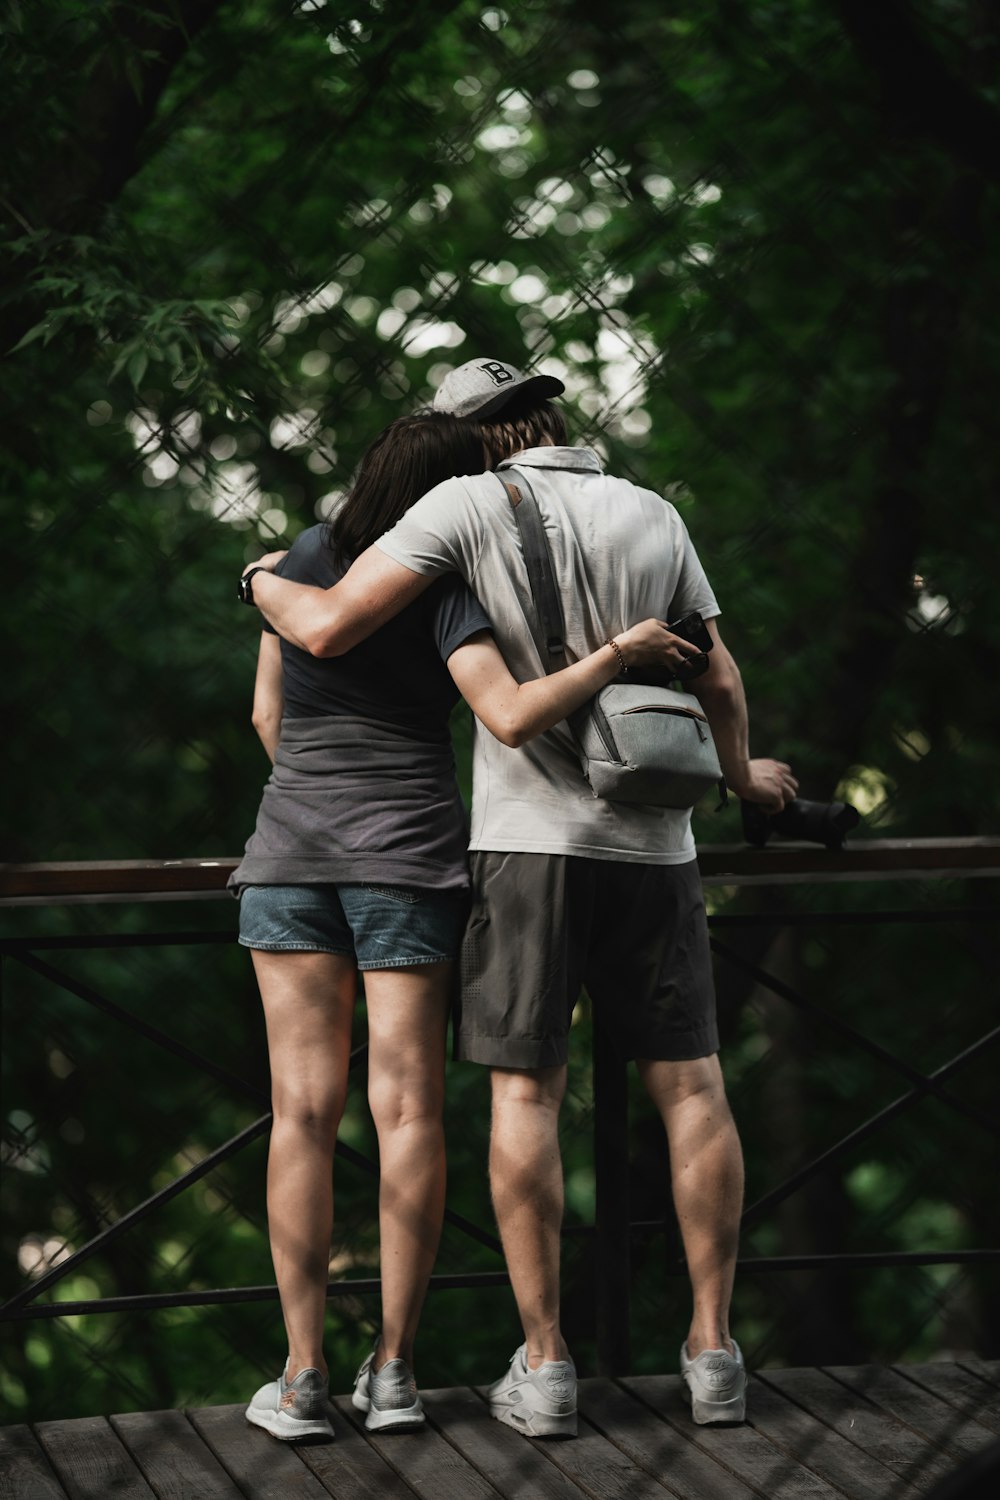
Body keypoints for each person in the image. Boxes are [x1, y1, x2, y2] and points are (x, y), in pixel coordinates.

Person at [239, 361, 798, 1438]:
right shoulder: (651, 509)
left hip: (510, 845)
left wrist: (258, 577)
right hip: (642, 841)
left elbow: (321, 635)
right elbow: (721, 678)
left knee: (494, 1101)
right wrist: (739, 776)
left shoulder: (453, 515)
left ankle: (534, 1367)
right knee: (688, 1091)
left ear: (463, 438)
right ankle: (710, 1352)